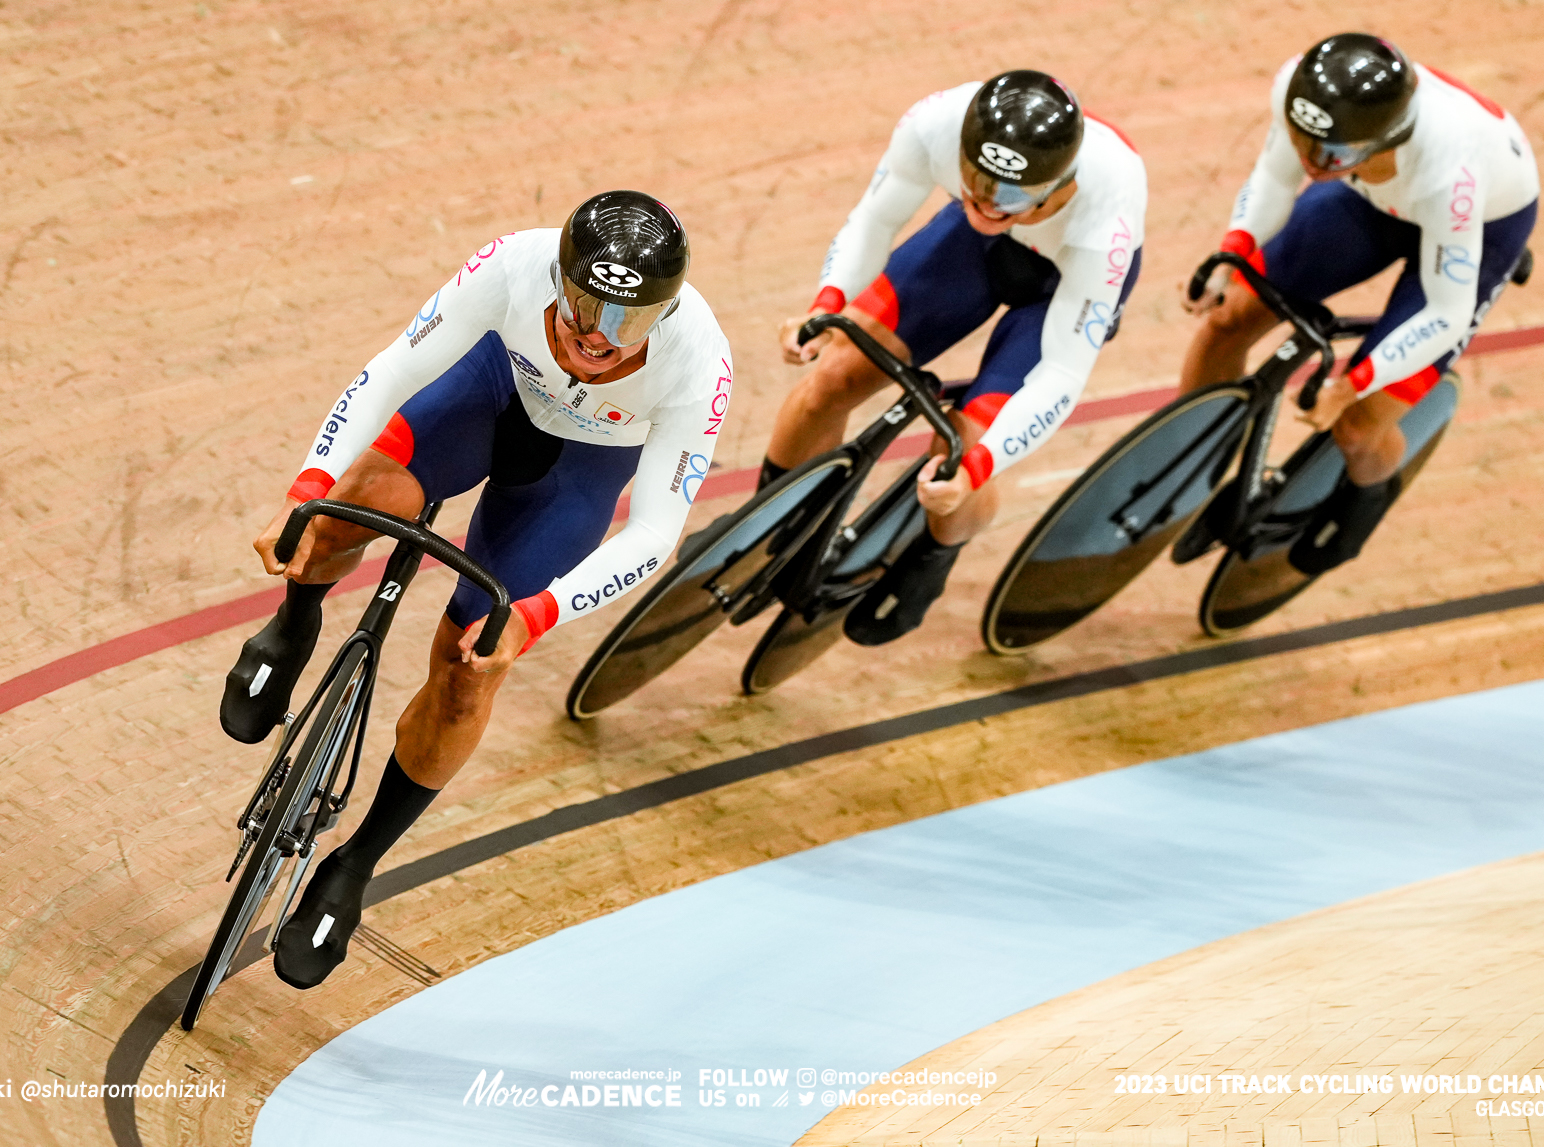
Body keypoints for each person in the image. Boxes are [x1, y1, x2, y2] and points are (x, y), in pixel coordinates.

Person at [222, 190, 732, 988]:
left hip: (578, 470)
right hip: (491, 394)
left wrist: (537, 616)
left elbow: (654, 532)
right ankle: (294, 623)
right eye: (586, 303)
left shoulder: (698, 360)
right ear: (560, 279)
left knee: (471, 670)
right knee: (338, 512)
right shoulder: (514, 264)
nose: (598, 334)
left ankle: (355, 865)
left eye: (627, 321)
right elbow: (396, 367)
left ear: (662, 315)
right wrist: (307, 485)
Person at [766, 70, 1147, 644]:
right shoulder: (937, 124)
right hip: (972, 252)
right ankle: (768, 532)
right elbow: (876, 218)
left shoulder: (1107, 202)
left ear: (1060, 189)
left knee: (961, 453)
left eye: (1014, 197)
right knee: (835, 375)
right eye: (977, 181)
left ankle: (932, 560)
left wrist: (978, 466)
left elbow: (1063, 371)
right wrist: (828, 302)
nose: (990, 203)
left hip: (1065, 281)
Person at [1179, 33, 1539, 573]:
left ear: (1386, 138)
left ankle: (1368, 499)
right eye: (1307, 144)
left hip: (1478, 226)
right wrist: (1235, 247)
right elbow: (1276, 177)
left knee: (1358, 425)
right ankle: (1184, 461)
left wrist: (1353, 383)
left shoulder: (1448, 170)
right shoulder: (1303, 93)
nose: (1314, 162)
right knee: (1229, 318)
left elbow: (1445, 313)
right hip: (1371, 197)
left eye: (1333, 154)